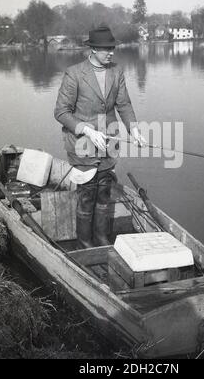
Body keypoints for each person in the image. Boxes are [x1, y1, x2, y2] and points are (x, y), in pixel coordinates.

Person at [54, 25, 145, 248]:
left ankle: (102, 238)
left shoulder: (117, 71)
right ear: (93, 49)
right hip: (82, 143)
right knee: (87, 195)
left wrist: (134, 129)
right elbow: (61, 112)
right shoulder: (74, 74)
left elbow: (124, 105)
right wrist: (86, 129)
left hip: (109, 143)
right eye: (106, 49)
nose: (110, 53)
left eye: (112, 48)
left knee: (104, 193)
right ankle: (85, 243)